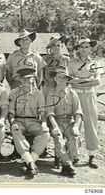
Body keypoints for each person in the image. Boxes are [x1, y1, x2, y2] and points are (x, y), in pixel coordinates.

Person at [8, 68, 50, 178]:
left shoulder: (38, 94)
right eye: (25, 80)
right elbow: (11, 113)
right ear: (20, 81)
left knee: (45, 133)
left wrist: (44, 123)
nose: (28, 82)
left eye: (30, 79)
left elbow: (42, 112)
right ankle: (31, 163)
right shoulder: (13, 93)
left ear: (33, 80)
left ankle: (29, 161)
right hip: (19, 120)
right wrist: (13, 122)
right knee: (15, 130)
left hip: (34, 121)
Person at [68, 37, 101, 169]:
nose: (84, 49)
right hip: (75, 95)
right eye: (81, 47)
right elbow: (70, 80)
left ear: (90, 48)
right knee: (74, 125)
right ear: (77, 49)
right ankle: (74, 155)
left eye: (87, 47)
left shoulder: (95, 63)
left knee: (91, 124)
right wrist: (88, 80)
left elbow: (97, 80)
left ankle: (92, 155)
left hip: (89, 95)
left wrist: (80, 80)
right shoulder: (72, 63)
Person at [46, 66, 82, 176]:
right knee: (58, 138)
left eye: (64, 78)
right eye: (59, 77)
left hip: (69, 122)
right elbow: (50, 114)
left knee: (74, 138)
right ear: (55, 78)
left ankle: (67, 164)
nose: (62, 80)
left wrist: (76, 126)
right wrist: (55, 127)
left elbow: (78, 113)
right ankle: (68, 164)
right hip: (56, 122)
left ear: (67, 80)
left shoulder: (73, 94)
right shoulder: (51, 93)